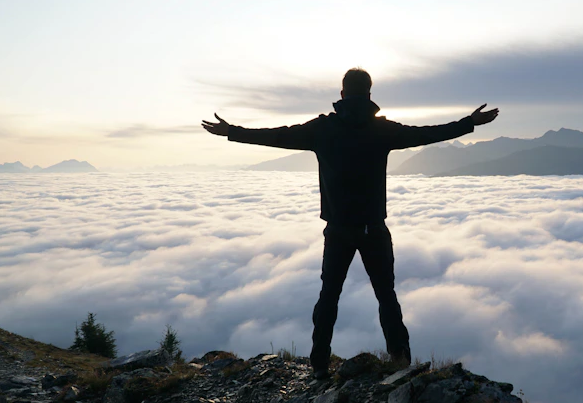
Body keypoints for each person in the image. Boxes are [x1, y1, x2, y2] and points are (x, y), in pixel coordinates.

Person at [202, 68, 499, 379]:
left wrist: (232, 131)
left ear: (342, 94)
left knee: (329, 296)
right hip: (374, 228)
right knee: (386, 296)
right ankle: (400, 364)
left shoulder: (322, 129)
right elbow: (426, 133)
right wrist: (469, 124)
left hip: (338, 230)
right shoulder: (382, 130)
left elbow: (277, 135)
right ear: (370, 95)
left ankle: (319, 365)